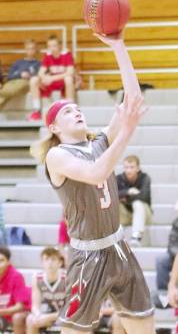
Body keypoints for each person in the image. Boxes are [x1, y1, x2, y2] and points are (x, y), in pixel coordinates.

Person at [31, 31, 155, 334]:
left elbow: (133, 98)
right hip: (87, 256)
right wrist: (125, 132)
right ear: (53, 126)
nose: (76, 111)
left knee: (145, 327)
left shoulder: (98, 141)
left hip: (119, 246)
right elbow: (98, 172)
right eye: (67, 111)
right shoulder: (57, 156)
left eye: (77, 108)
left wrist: (118, 46)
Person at [28, 35, 75, 121]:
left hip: (62, 83)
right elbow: (41, 72)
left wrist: (52, 78)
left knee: (69, 79)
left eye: (54, 45)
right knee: (34, 80)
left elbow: (70, 72)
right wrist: (45, 77)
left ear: (59, 45)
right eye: (49, 46)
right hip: (51, 83)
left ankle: (71, 110)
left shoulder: (67, 54)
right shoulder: (48, 55)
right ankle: (36, 110)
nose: (52, 48)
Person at [26, 246, 66, 334]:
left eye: (53, 259)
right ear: (42, 262)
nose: (50, 262)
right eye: (46, 259)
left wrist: (49, 317)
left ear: (60, 262)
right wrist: (38, 316)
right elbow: (35, 306)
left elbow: (70, 309)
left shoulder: (67, 278)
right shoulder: (36, 278)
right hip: (47, 313)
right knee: (31, 320)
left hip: (65, 315)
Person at [116, 155, 152, 246]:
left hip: (144, 215)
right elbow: (113, 196)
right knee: (116, 203)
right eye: (126, 167)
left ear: (138, 168)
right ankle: (116, 233)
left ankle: (136, 236)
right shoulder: (118, 178)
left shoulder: (145, 178)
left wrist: (125, 197)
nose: (129, 170)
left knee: (138, 203)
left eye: (132, 167)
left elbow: (144, 196)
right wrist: (128, 191)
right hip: (126, 216)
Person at [0, 39, 40, 110]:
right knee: (4, 95)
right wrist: (20, 74)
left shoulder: (38, 64)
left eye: (32, 48)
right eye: (28, 49)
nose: (30, 51)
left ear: (36, 50)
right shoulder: (18, 62)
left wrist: (29, 76)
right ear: (25, 49)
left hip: (26, 83)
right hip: (13, 82)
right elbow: (9, 76)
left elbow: (38, 78)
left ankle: (2, 92)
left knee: (18, 85)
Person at [0, 246, 31, 334]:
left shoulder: (16, 277)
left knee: (17, 317)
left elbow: (20, 307)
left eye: (1, 260)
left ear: (8, 262)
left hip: (13, 315)